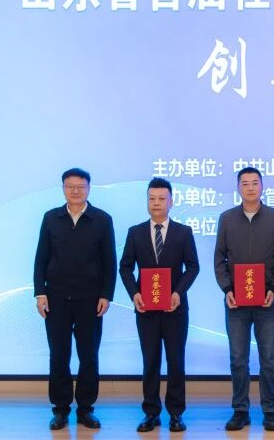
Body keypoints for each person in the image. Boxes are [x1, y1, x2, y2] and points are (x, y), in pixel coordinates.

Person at [33, 168, 116, 430]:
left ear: (89, 188)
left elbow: (110, 262)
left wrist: (106, 295)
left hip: (90, 300)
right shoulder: (51, 218)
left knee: (89, 356)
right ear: (63, 189)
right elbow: (41, 258)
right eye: (70, 186)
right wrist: (40, 292)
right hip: (56, 298)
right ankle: (60, 410)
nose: (75, 191)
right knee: (59, 355)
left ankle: (86, 409)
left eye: (80, 186)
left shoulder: (102, 219)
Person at [119, 178, 199, 432]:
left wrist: (178, 292)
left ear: (171, 202)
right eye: (151, 198)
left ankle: (176, 413)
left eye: (162, 198)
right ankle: (151, 412)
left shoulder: (183, 232)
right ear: (147, 201)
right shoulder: (135, 232)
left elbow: (193, 267)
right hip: (146, 309)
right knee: (150, 361)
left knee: (176, 361)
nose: (156, 203)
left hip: (175, 309)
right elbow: (125, 267)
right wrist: (134, 294)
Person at [214, 167, 274, 431]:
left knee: (269, 359)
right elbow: (219, 259)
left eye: (255, 183)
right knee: (238, 359)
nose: (250, 188)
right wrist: (227, 289)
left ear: (262, 186)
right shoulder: (226, 219)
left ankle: (270, 411)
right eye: (244, 183)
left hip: (267, 301)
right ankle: (240, 410)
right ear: (238, 188)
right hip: (236, 302)